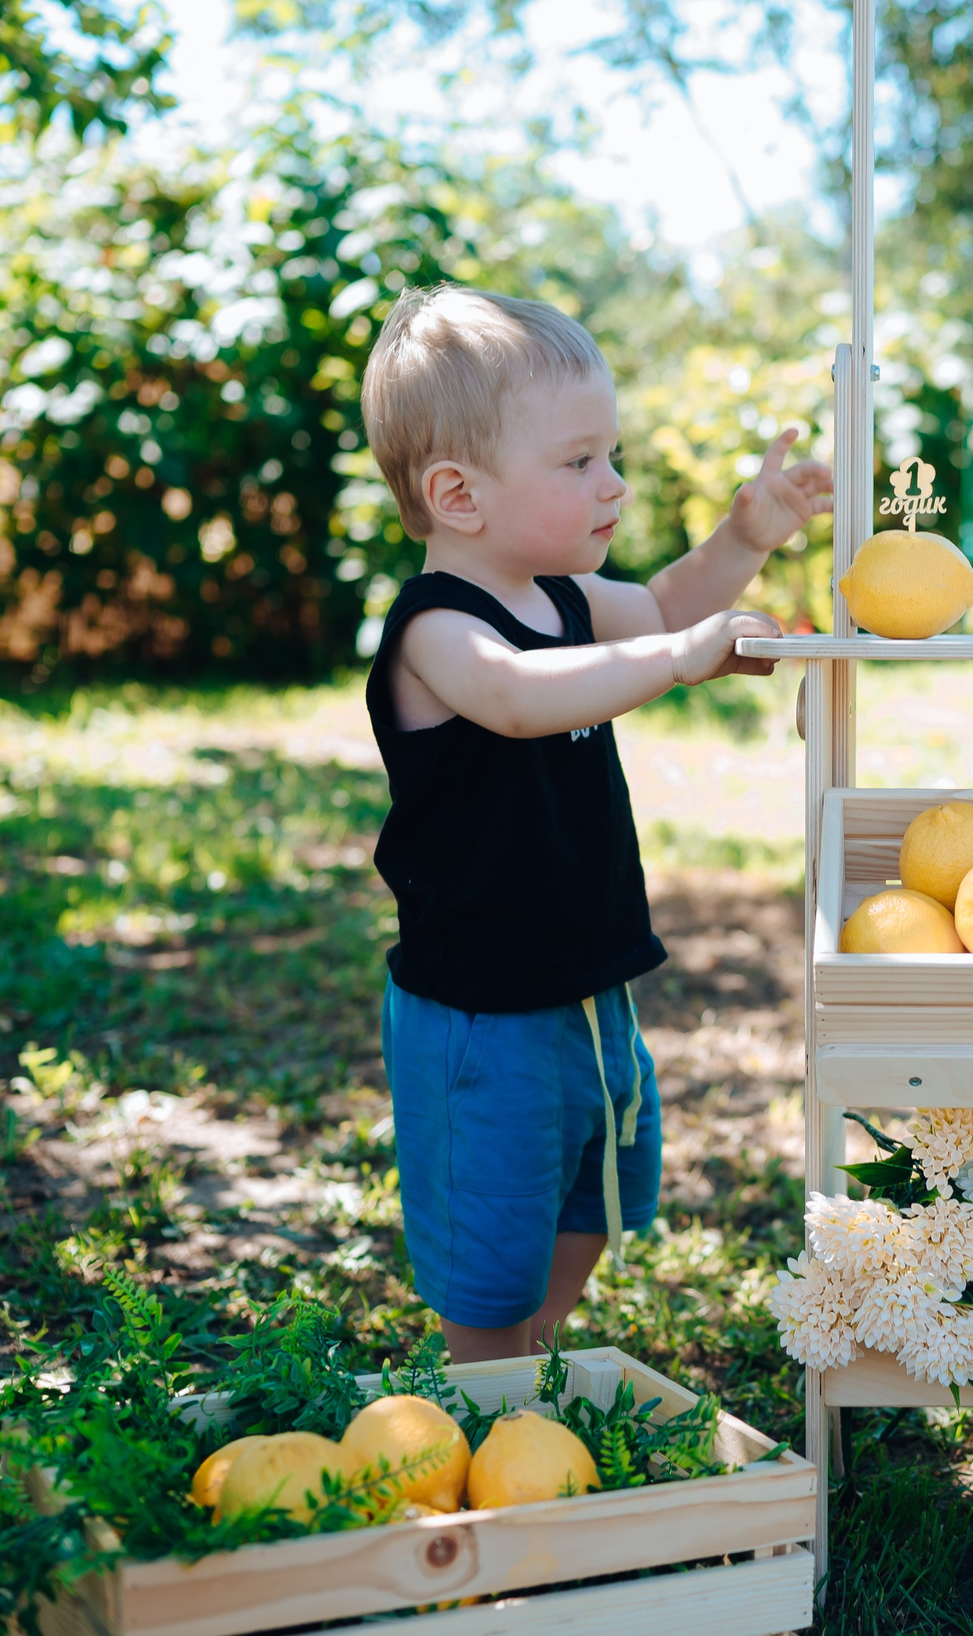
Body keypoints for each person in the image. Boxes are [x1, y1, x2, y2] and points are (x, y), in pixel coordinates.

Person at [359, 284, 830, 1362]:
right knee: (492, 1238)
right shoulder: (438, 630)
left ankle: (531, 1346)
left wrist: (746, 534)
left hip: (586, 987)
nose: (612, 484)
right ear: (458, 494)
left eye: (608, 455)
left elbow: (665, 607)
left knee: (597, 1194)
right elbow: (523, 699)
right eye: (578, 464)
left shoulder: (566, 597)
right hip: (481, 1016)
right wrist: (674, 661)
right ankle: (485, 1385)